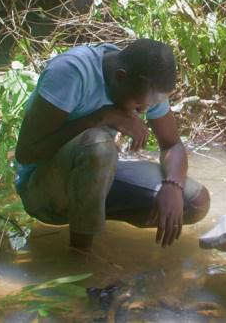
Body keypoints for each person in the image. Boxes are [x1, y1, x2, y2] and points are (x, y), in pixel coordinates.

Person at [14, 38, 210, 251]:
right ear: (119, 77)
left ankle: (91, 218)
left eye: (150, 105)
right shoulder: (72, 73)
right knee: (98, 145)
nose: (143, 110)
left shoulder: (146, 83)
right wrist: (98, 118)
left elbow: (172, 145)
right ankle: (81, 258)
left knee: (193, 202)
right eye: (138, 103)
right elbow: (27, 152)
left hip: (91, 173)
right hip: (44, 193)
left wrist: (172, 186)